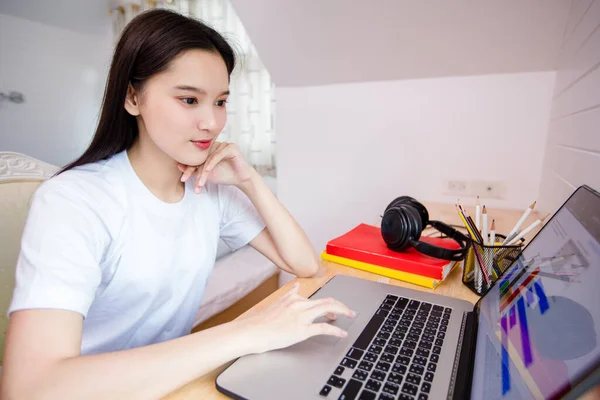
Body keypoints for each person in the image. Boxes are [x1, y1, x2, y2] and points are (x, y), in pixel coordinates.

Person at [0, 9, 355, 400]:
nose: (212, 123)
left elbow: (304, 264)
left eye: (220, 102)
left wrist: (250, 180)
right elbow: (29, 388)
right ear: (133, 97)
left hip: (170, 385)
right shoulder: (74, 201)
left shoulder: (210, 191)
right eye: (189, 99)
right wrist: (246, 332)